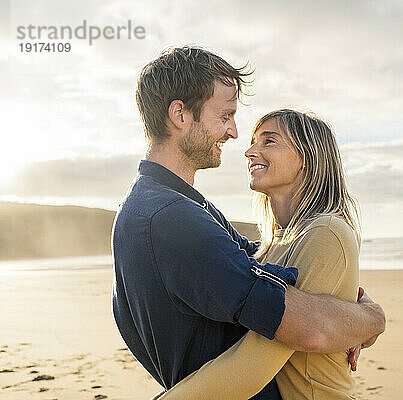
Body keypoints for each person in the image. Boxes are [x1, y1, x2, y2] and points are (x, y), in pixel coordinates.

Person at [111, 46, 385, 400]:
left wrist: (340, 294)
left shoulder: (169, 209)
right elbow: (306, 327)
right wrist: (370, 319)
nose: (234, 134)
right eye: (225, 116)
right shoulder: (172, 220)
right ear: (180, 114)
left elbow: (260, 259)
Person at [158, 109, 374, 399]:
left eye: (268, 142)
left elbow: (256, 362)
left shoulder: (327, 232)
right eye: (253, 142)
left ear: (308, 158)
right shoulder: (271, 246)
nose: (249, 151)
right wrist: (366, 321)